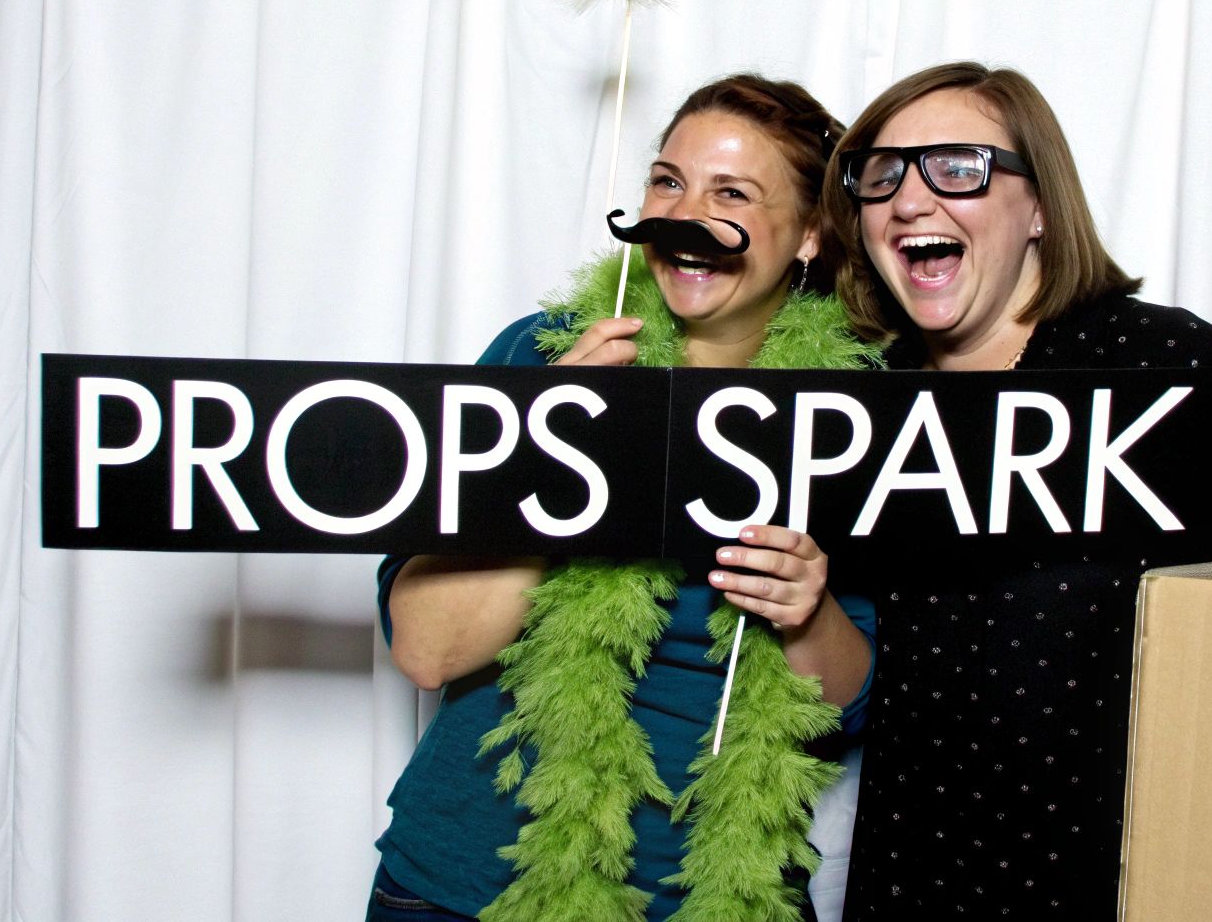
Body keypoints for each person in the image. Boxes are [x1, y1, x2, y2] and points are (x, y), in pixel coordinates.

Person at [371, 74, 879, 922]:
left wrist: (807, 607)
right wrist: (550, 447)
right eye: (667, 180)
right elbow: (427, 651)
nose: (683, 215)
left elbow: (843, 712)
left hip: (715, 891)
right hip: (470, 882)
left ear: (810, 236)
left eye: (733, 194)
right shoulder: (545, 357)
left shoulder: (851, 415)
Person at [822, 62, 1212, 919]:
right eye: (882, 175)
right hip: (907, 880)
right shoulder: (857, 394)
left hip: (1114, 883)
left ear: (1042, 206)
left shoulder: (1164, 371)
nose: (909, 201)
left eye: (957, 167)